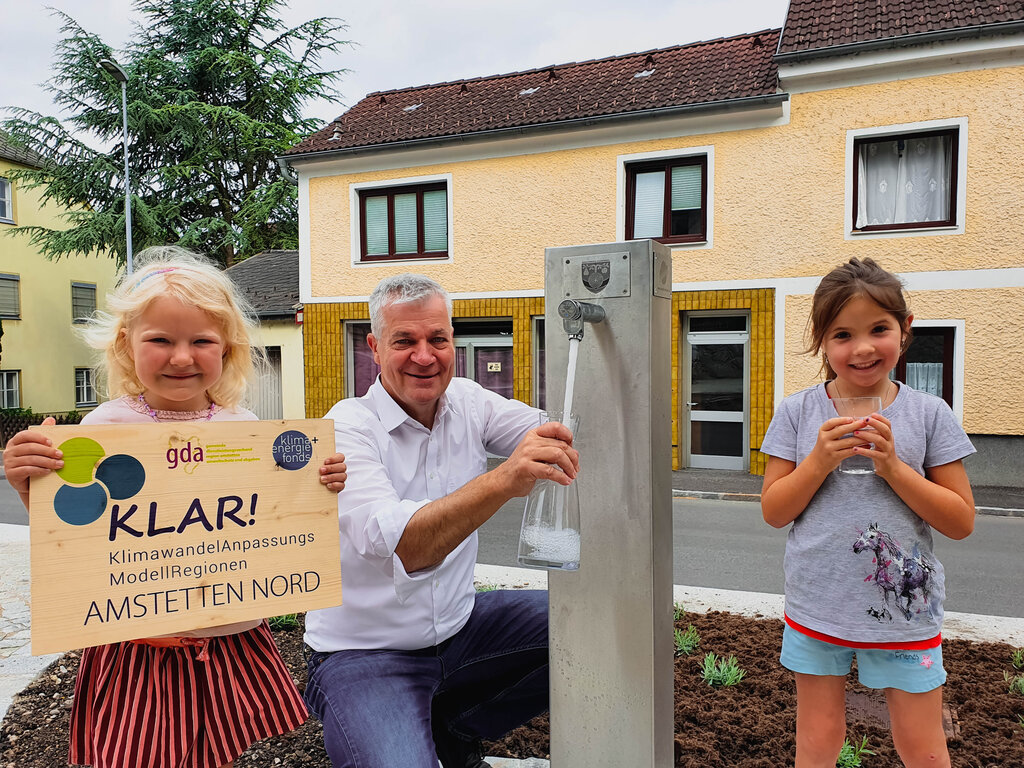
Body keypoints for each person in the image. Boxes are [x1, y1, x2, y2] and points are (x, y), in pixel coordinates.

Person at [2, 246, 348, 768]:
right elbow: (76, 538)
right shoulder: (101, 431)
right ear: (127, 345)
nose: (181, 357)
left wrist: (320, 486)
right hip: (137, 645)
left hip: (227, 636)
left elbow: (282, 522)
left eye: (201, 341)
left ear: (227, 349)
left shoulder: (246, 429)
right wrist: (31, 486)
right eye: (160, 340)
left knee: (214, 751)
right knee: (133, 754)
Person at [302, 273, 579, 768]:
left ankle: (452, 727)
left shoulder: (470, 402)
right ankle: (427, 729)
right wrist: (503, 481)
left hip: (459, 629)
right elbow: (409, 547)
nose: (425, 356)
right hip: (364, 653)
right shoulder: (346, 427)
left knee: (587, 624)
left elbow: (559, 432)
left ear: (453, 341)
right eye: (405, 341)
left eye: (438, 339)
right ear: (374, 347)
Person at [760, 257, 975, 768]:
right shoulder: (797, 412)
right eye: (841, 335)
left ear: (905, 330)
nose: (861, 348)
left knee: (922, 743)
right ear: (822, 341)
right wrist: (817, 462)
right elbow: (773, 510)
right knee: (817, 736)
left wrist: (896, 470)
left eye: (878, 329)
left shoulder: (929, 414)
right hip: (818, 605)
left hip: (907, 614)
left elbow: (960, 521)